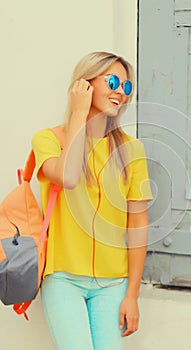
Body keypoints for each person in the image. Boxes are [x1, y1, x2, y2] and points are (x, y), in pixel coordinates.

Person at [32, 51, 153, 350]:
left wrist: (132, 296)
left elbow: (138, 224)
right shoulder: (48, 140)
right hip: (63, 279)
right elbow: (68, 177)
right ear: (84, 85)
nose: (119, 92)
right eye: (112, 81)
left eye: (126, 87)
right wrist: (78, 113)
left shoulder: (131, 150)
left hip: (113, 284)